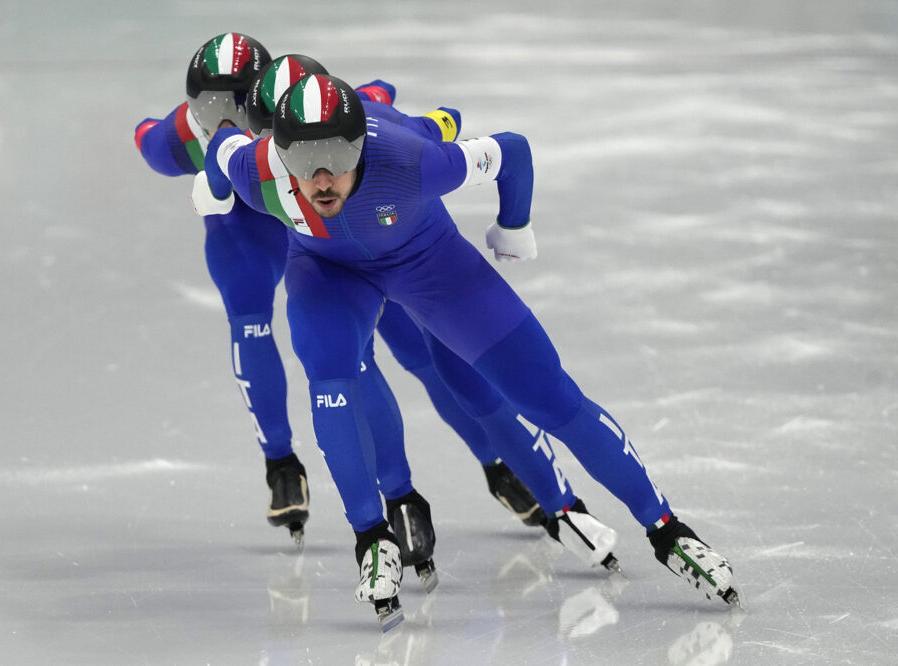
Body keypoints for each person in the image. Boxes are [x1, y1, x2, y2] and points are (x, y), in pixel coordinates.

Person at [192, 73, 740, 629]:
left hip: (425, 260)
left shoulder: (412, 161)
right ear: (279, 152)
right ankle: (371, 536)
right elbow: (220, 150)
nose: (322, 176)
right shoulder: (255, 166)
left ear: (360, 144)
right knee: (331, 375)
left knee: (549, 398)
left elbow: (513, 150)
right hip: (328, 271)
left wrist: (513, 226)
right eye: (304, 160)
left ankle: (666, 527)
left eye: (337, 153)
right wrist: (213, 191)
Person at [135, 35, 574, 576]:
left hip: (330, 233)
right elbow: (151, 141)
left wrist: (412, 118)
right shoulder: (182, 138)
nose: (223, 124)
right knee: (302, 340)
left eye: (237, 109)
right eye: (208, 111)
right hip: (257, 226)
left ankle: (489, 460)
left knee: (418, 350)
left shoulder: (298, 128)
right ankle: (298, 464)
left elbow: (379, 106)